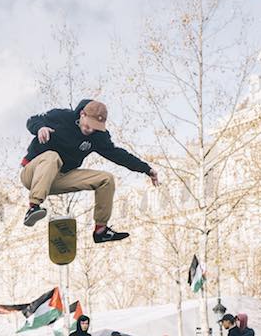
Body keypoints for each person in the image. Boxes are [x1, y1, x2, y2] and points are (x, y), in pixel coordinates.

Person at [20, 99, 159, 243]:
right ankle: (33, 207)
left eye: (94, 128)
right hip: (33, 174)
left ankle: (101, 230)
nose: (90, 130)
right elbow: (32, 120)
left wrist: (146, 169)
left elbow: (119, 155)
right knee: (52, 156)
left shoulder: (98, 137)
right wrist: (40, 128)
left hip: (60, 178)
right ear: (82, 114)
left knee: (106, 179)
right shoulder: (61, 117)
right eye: (88, 125)